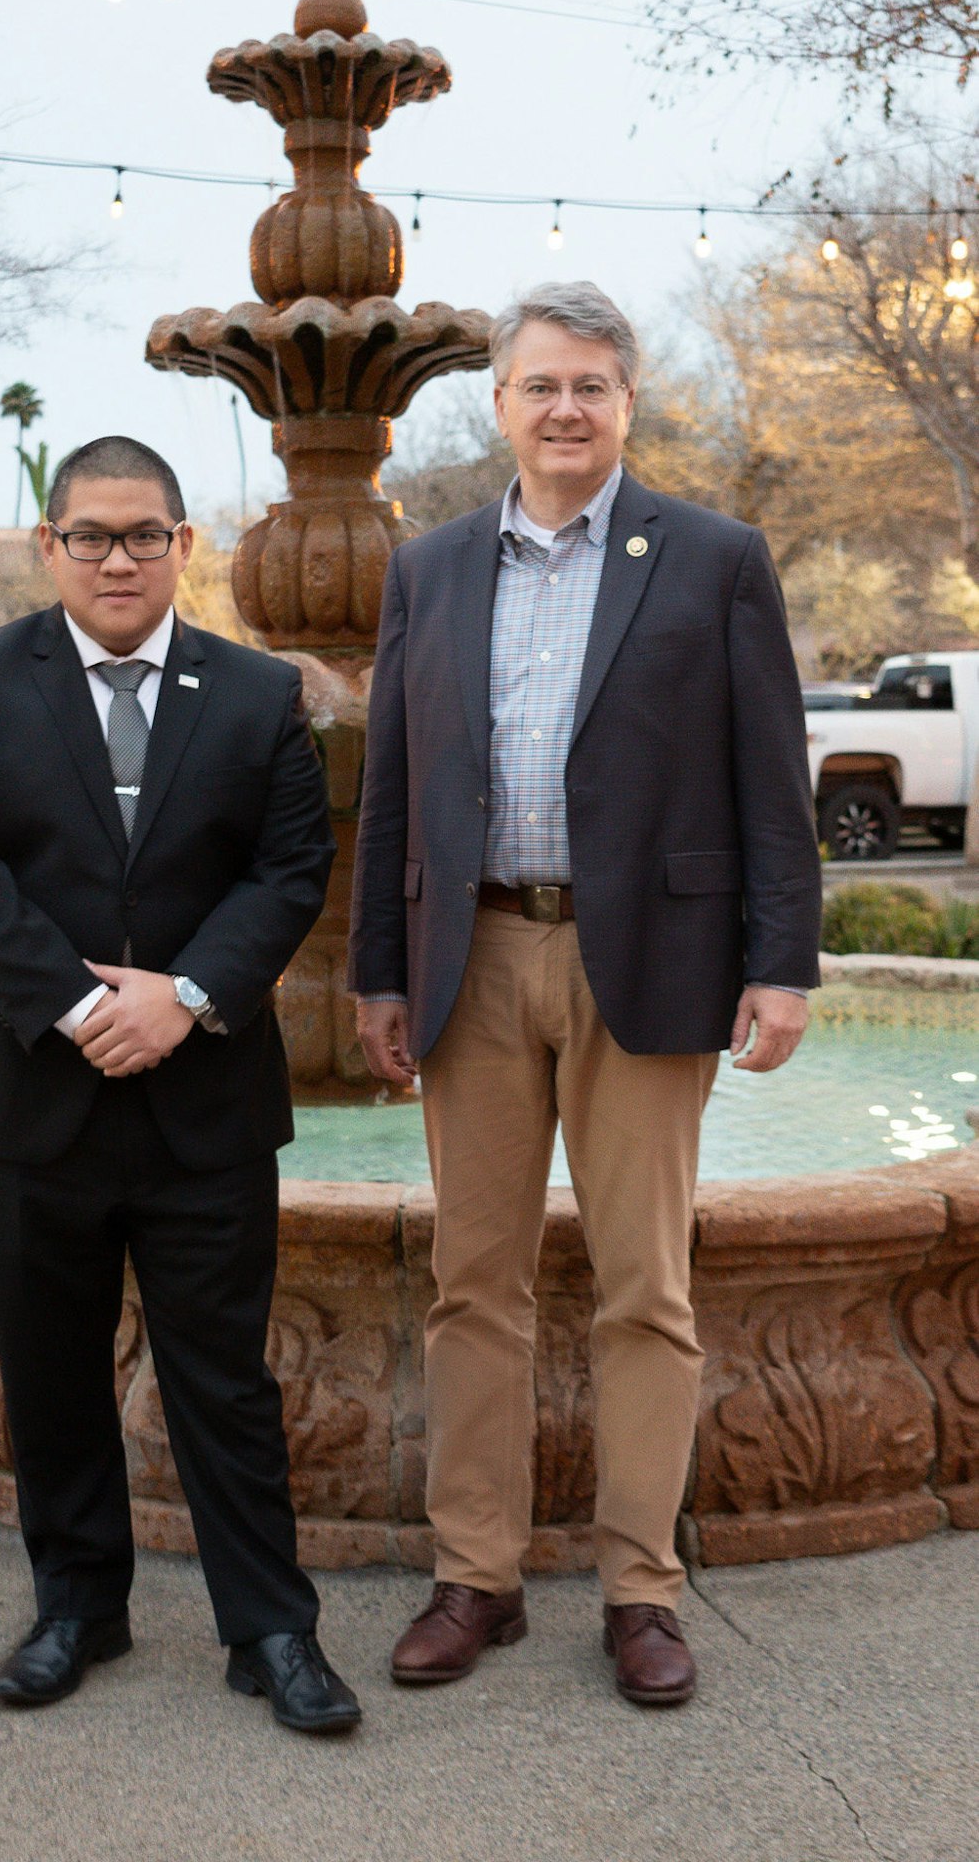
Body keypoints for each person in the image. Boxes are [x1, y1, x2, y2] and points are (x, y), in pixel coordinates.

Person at [348, 283, 821, 1706]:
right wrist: (378, 966)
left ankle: (639, 1593)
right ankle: (474, 1579)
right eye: (541, 385)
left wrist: (780, 962)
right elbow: (392, 794)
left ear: (626, 403)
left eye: (592, 386)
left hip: (652, 968)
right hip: (472, 960)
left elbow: (767, 774)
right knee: (471, 1288)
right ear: (497, 402)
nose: (566, 409)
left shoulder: (713, 558)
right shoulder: (426, 570)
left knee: (644, 1292)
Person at [0, 435, 360, 1736]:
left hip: (201, 1097)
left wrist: (186, 999)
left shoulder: (258, 692)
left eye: (142, 534)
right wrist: (85, 1003)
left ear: (181, 546)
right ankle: (76, 1609)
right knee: (47, 1369)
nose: (116, 556)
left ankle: (270, 1628)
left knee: (224, 1376)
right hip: (20, 1091)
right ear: (51, 548)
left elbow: (284, 875)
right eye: (90, 535)